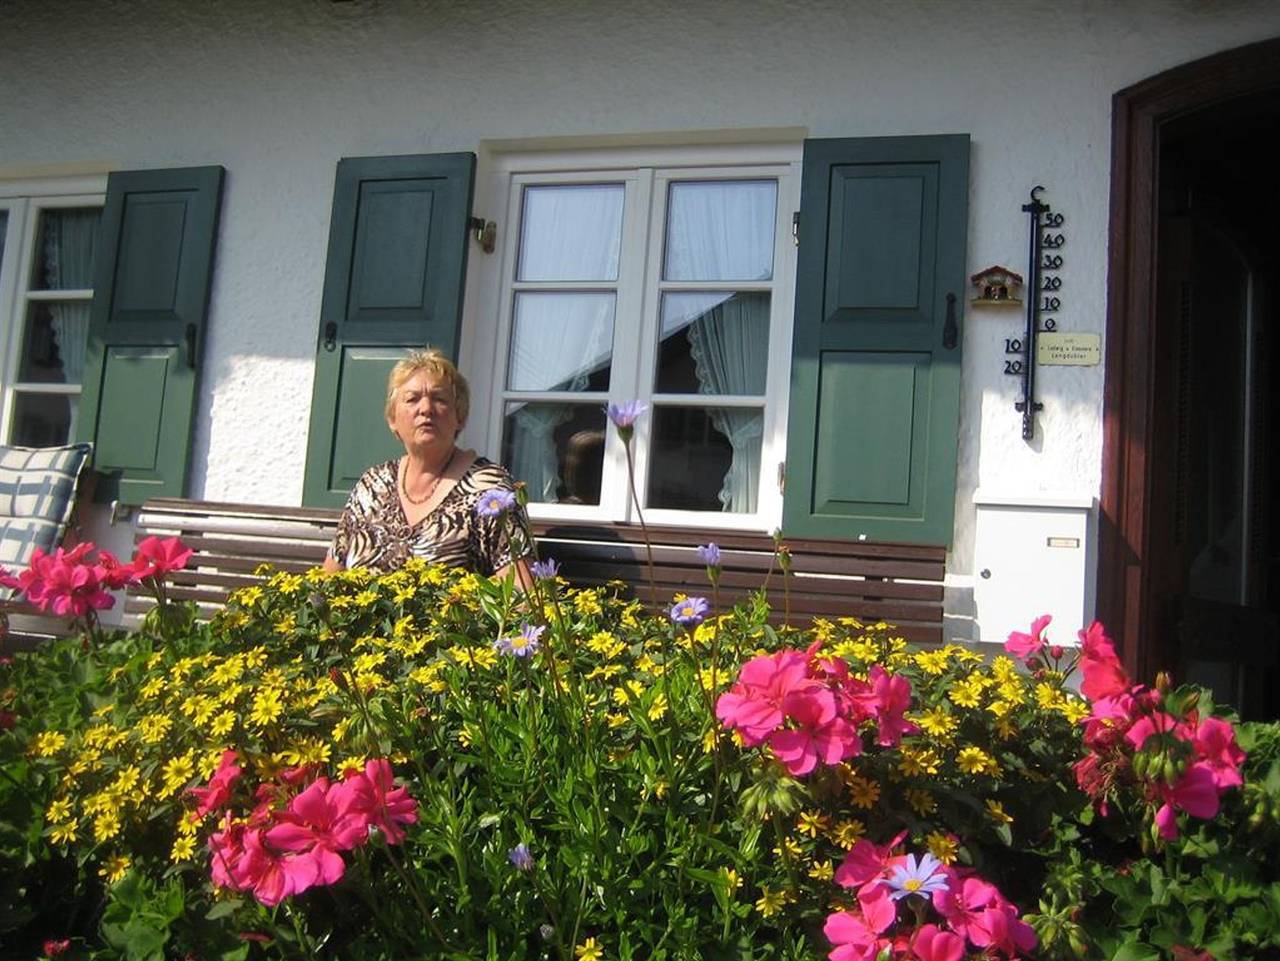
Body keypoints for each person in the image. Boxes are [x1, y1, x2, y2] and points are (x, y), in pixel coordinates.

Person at [323, 348, 532, 584]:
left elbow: (522, 593)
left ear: (459, 416)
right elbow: (330, 579)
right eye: (412, 399)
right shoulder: (372, 484)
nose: (425, 409)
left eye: (439, 399)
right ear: (392, 419)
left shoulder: (489, 488)